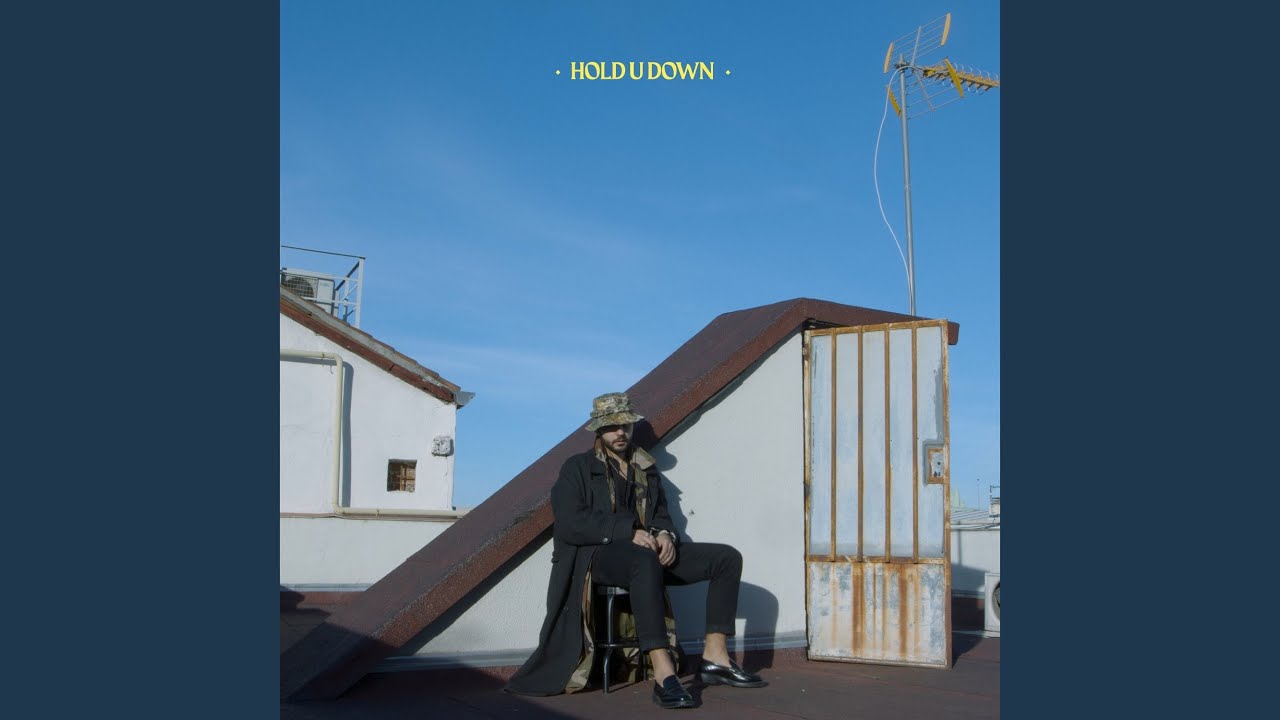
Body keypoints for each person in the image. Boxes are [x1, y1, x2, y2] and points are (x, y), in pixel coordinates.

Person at [505, 392, 766, 708]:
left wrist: (666, 534)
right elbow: (570, 522)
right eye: (612, 427)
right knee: (643, 560)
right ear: (599, 430)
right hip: (598, 557)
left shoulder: (646, 468)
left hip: (647, 555)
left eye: (625, 426)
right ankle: (664, 673)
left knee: (726, 558)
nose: (620, 432)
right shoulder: (578, 467)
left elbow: (660, 515)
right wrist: (628, 531)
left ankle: (715, 659)